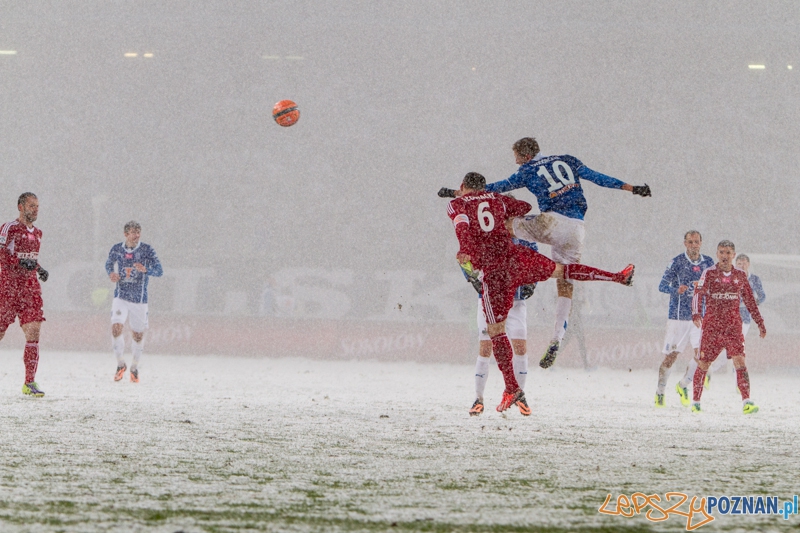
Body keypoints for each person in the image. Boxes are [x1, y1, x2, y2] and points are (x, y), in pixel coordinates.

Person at [443, 137, 651, 370]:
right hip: (576, 228)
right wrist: (632, 188)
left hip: (550, 221)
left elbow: (493, 190)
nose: (517, 164)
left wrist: (456, 194)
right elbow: (599, 178)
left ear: (524, 156)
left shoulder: (527, 170)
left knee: (501, 223)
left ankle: (487, 266)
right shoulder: (569, 160)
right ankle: (556, 339)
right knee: (565, 281)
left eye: (517, 159)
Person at [447, 172, 635, 413]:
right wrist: (501, 209)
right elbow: (524, 206)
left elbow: (461, 226)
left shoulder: (457, 203)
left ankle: (511, 389)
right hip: (516, 259)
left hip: (494, 273)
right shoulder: (498, 199)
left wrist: (464, 247)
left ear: (462, 186)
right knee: (562, 270)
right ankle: (617, 276)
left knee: (496, 333)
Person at [690, 240, 766, 414]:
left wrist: (760, 322)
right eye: (721, 252)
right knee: (704, 363)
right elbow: (698, 293)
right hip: (712, 327)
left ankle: (747, 401)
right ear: (717, 254)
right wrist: (696, 313)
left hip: (733, 326)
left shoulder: (740, 275)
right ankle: (696, 402)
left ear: (734, 255)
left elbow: (750, 301)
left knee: (740, 361)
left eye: (728, 253)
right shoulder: (709, 273)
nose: (725, 256)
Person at [465, 238, 537, 417]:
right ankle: (478, 399)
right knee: (485, 348)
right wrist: (471, 277)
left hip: (516, 300)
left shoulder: (526, 237)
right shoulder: (488, 232)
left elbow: (537, 261)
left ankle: (519, 395)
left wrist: (532, 283)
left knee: (520, 347)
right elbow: (465, 255)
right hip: (489, 298)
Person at [653, 231, 714, 408]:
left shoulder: (708, 263)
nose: (694, 245)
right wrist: (676, 289)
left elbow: (713, 286)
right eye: (690, 242)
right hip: (678, 317)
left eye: (696, 242)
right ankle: (660, 391)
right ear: (685, 243)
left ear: (701, 243)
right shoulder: (676, 262)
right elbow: (662, 285)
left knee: (701, 356)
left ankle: (683, 385)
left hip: (699, 317)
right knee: (671, 357)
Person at [0, 193, 49, 397]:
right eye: (31, 205)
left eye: (37, 206)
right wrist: (18, 264)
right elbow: (2, 254)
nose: (35, 209)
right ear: (20, 207)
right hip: (8, 288)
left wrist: (39, 268)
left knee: (34, 331)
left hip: (29, 289)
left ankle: (29, 382)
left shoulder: (38, 233)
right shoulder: (10, 228)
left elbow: (29, 259)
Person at [105, 221, 163, 383]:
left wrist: (147, 270)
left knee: (137, 335)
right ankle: (120, 364)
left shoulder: (146, 250)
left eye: (138, 232)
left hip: (139, 299)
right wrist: (111, 273)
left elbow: (159, 271)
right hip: (121, 296)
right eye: (133, 232)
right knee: (116, 328)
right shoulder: (117, 249)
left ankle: (134, 367)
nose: (136, 235)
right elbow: (108, 264)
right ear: (126, 234)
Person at [705, 253, 766, 383]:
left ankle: (735, 379)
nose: (741, 266)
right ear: (735, 264)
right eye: (739, 263)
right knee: (727, 347)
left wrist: (755, 302)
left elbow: (762, 296)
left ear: (748, 264)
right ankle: (711, 369)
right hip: (729, 318)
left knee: (736, 348)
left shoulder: (754, 279)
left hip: (744, 319)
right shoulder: (733, 277)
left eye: (744, 263)